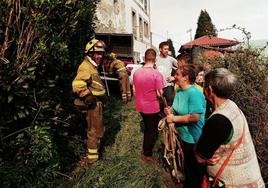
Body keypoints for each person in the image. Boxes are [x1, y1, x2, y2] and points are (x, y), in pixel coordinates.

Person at [195, 68, 265, 187]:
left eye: (204, 86)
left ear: (210, 90)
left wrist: (203, 157)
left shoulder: (218, 121)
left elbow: (199, 158)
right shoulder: (232, 106)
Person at [164, 65, 206, 188]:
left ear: (185, 78)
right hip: (181, 134)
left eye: (177, 75)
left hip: (193, 138)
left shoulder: (195, 94)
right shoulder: (179, 91)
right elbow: (177, 109)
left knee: (193, 169)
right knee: (186, 163)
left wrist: (174, 118)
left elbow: (195, 117)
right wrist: (170, 111)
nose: (175, 77)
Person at [72, 38, 106, 165]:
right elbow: (77, 83)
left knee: (98, 129)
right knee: (94, 131)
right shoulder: (85, 66)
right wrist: (87, 95)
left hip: (97, 103)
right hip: (92, 104)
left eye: (102, 54)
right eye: (97, 53)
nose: (100, 56)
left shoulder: (93, 66)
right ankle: (92, 158)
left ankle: (96, 152)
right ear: (90, 53)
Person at [133, 48, 164, 164]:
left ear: (144, 59)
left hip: (140, 105)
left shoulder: (136, 73)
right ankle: (147, 154)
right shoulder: (156, 74)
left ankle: (148, 148)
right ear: (155, 59)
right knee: (151, 130)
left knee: (147, 127)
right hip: (151, 106)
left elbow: (134, 90)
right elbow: (159, 93)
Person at [156, 41, 178, 107]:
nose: (167, 51)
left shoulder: (171, 59)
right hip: (158, 86)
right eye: (165, 49)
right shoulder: (156, 59)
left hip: (168, 86)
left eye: (167, 49)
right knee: (159, 105)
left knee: (170, 104)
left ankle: (171, 117)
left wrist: (174, 77)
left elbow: (182, 68)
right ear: (160, 49)